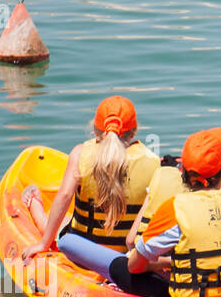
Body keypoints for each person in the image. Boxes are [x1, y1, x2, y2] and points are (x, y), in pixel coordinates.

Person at [110, 127, 221, 297]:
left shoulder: (174, 207)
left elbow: (135, 267)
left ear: (184, 173)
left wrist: (170, 264)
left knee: (119, 267)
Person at [20, 96, 160, 278]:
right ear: (134, 132)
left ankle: (34, 204)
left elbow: (63, 197)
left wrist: (43, 244)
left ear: (95, 130)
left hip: (81, 251)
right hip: (127, 256)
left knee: (61, 223)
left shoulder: (80, 154)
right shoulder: (153, 162)